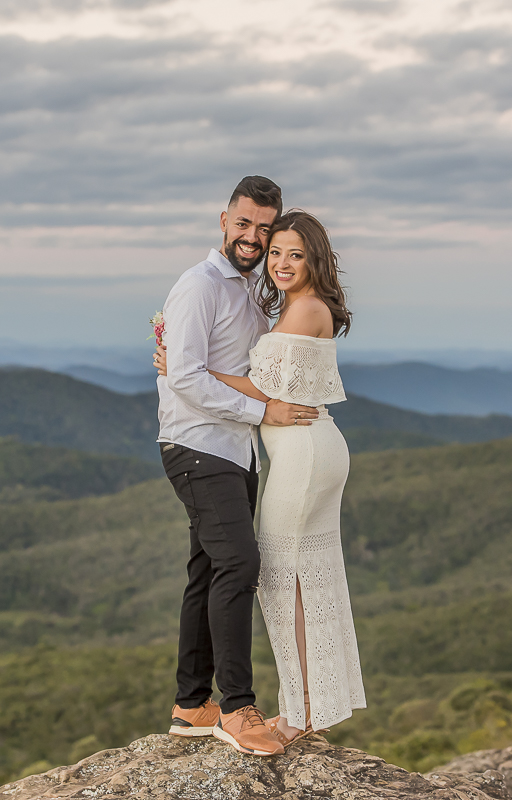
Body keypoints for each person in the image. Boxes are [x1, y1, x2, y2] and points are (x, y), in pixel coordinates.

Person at [156, 208, 366, 751]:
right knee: (303, 578)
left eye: (295, 253)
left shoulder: (303, 309)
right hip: (310, 449)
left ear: (315, 257)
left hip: (300, 452)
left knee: (281, 580)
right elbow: (261, 386)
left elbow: (262, 391)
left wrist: (181, 364)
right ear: (226, 222)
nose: (281, 262)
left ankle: (292, 714)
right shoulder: (290, 304)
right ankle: (303, 707)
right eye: (277, 252)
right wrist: (182, 358)